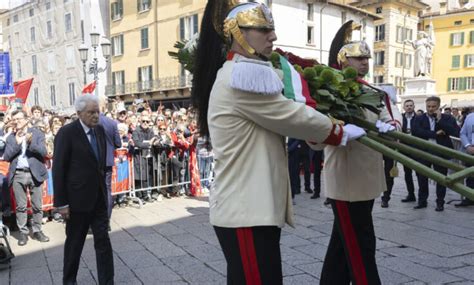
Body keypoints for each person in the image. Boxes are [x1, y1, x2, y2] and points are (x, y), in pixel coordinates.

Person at [192, 2, 365, 284]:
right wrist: (337, 131)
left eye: (271, 29)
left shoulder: (244, 72)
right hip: (245, 212)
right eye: (263, 29)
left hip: (250, 209)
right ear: (237, 32)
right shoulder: (241, 77)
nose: (272, 36)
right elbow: (288, 114)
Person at [320, 20, 402, 284]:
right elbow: (317, 133)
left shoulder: (375, 91)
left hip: (367, 178)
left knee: (343, 241)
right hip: (344, 179)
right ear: (343, 61)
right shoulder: (331, 91)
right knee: (360, 242)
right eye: (358, 58)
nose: (364, 62)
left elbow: (391, 114)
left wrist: (390, 126)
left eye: (366, 58)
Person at [53, 94, 114, 285]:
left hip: (99, 199)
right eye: (91, 112)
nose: (96, 116)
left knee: (103, 242)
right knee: (74, 244)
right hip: (77, 201)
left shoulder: (100, 131)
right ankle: (69, 281)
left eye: (97, 111)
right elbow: (59, 169)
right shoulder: (67, 133)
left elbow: (101, 165)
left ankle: (107, 281)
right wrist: (61, 203)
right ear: (79, 113)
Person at [3, 110, 50, 246]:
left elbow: (43, 152)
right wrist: (17, 143)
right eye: (14, 120)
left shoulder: (36, 133)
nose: (16, 122)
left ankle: (37, 230)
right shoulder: (11, 137)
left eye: (19, 119)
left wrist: (31, 143)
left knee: (37, 205)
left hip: (34, 172)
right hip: (18, 174)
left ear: (26, 119)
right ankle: (23, 233)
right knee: (21, 207)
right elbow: (6, 157)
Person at [411, 96, 460, 211]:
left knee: (441, 179)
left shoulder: (447, 118)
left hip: (440, 152)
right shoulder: (419, 118)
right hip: (423, 151)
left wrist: (439, 120)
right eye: (428, 106)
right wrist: (435, 134)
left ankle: (440, 203)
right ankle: (422, 201)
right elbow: (416, 132)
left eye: (434, 106)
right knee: (422, 177)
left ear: (439, 106)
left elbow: (455, 132)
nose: (431, 109)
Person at [99, 103, 122, 224]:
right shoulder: (112, 123)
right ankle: (106, 221)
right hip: (107, 161)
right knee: (107, 190)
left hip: (93, 162)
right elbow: (118, 143)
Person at [455, 109, 474, 207]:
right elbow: (463, 133)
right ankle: (469, 197)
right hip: (471, 151)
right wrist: (467, 145)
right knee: (470, 175)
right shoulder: (470, 117)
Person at [400, 99, 417, 203]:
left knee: (420, 174)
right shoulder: (401, 118)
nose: (409, 107)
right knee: (407, 173)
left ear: (414, 106)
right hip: (405, 148)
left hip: (416, 148)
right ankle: (411, 194)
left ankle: (422, 198)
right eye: (407, 106)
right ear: (404, 107)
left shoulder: (419, 118)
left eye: (411, 105)